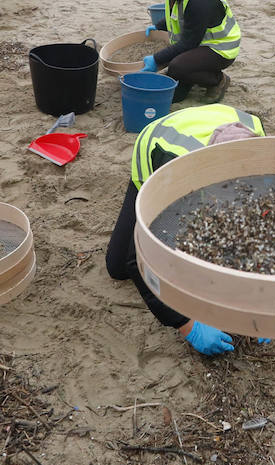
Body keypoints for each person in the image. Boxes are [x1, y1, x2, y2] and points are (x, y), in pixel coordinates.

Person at [106, 104, 266, 355]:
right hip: (156, 149)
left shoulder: (262, 160)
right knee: (116, 266)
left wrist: (263, 306)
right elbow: (136, 258)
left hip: (212, 123)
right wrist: (186, 325)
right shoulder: (178, 180)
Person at [142, 0, 240, 103]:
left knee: (177, 67)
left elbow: (188, 43)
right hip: (199, 43)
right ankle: (190, 73)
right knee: (176, 93)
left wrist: (156, 59)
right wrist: (159, 26)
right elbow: (178, 16)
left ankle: (217, 80)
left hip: (221, 48)